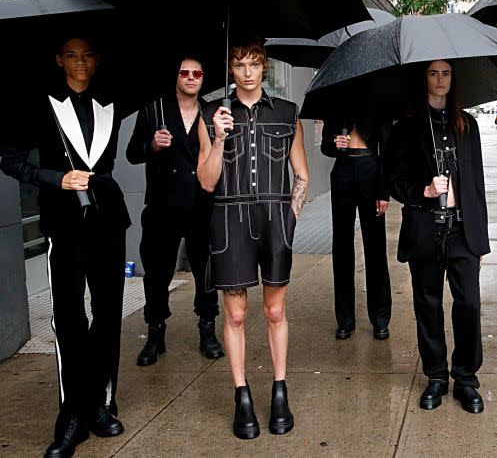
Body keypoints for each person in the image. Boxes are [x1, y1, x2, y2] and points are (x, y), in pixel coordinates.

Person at [1, 37, 130, 457]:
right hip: (64, 223)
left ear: (97, 60)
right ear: (59, 59)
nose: (81, 63)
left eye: (89, 54)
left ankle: (101, 404)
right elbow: (10, 159)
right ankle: (72, 414)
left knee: (109, 315)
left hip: (109, 219)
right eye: (72, 55)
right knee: (69, 318)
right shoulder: (39, 105)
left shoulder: (110, 101)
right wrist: (57, 178)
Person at [197, 39, 308, 439]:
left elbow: (302, 175)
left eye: (254, 64)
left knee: (275, 311)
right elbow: (207, 181)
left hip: (275, 216)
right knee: (237, 314)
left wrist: (289, 220)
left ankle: (280, 390)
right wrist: (220, 136)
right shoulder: (212, 114)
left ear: (265, 68)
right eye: (240, 64)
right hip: (229, 216)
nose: (247, 72)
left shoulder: (287, 113)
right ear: (231, 68)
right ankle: (241, 395)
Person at [384, 60, 489, 414]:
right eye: (433, 73)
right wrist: (424, 190)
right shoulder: (406, 128)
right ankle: (436, 376)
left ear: (452, 79)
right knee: (427, 306)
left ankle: (466, 378)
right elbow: (393, 179)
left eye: (446, 73)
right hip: (425, 228)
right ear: (424, 78)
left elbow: (477, 184)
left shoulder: (468, 125)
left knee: (469, 304)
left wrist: (481, 236)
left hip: (462, 230)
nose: (440, 79)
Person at [127, 57, 224, 366]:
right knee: (156, 274)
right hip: (162, 207)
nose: (192, 77)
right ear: (176, 76)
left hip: (202, 206)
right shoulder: (153, 110)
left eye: (197, 72)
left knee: (206, 272)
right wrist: (151, 146)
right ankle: (155, 334)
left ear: (203, 78)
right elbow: (131, 154)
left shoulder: (212, 112)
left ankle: (207, 329)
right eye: (185, 72)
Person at [320, 111, 392, 340]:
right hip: (342, 173)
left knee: (376, 247)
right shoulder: (335, 106)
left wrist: (384, 191)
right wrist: (335, 143)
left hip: (371, 170)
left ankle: (380, 318)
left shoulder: (379, 103)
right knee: (341, 248)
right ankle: (345, 320)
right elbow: (325, 147)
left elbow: (387, 150)